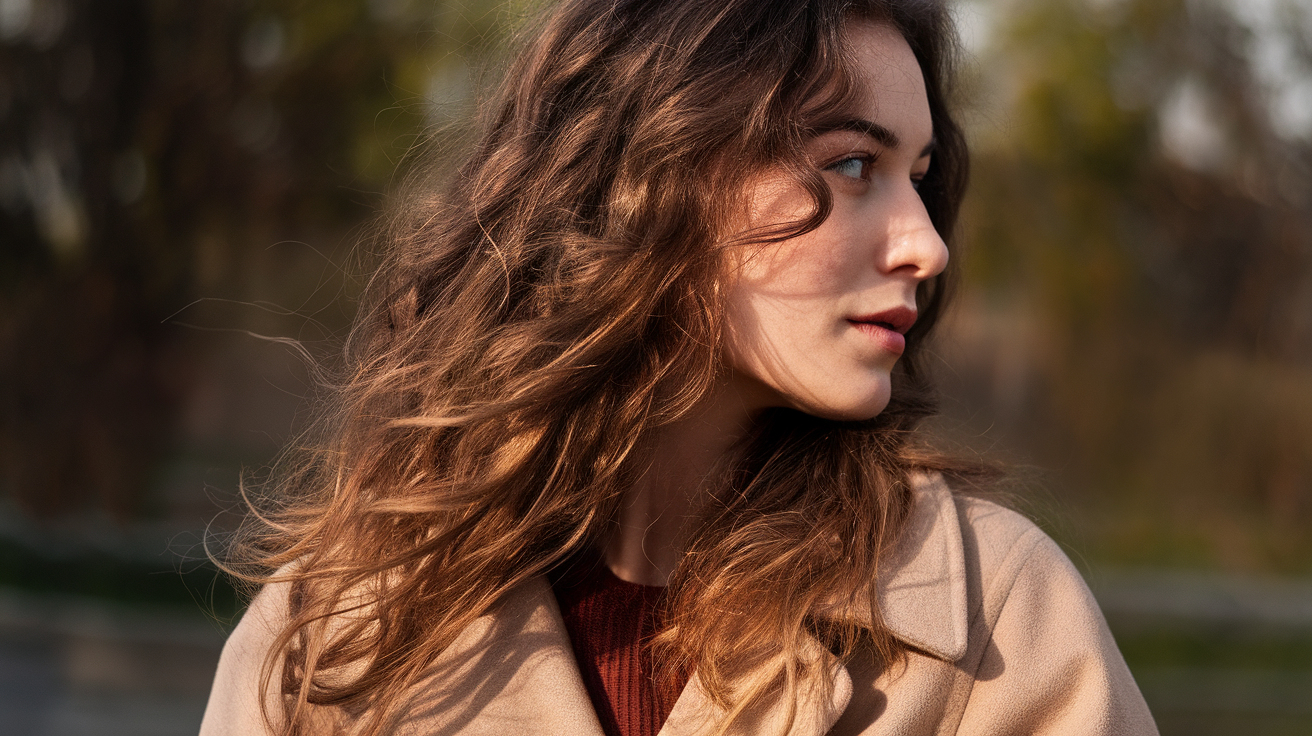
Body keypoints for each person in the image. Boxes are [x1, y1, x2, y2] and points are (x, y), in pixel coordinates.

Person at [200, 0, 1158, 734]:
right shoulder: (345, 625)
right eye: (855, 165)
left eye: (918, 175)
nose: (926, 243)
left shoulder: (994, 622)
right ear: (655, 172)